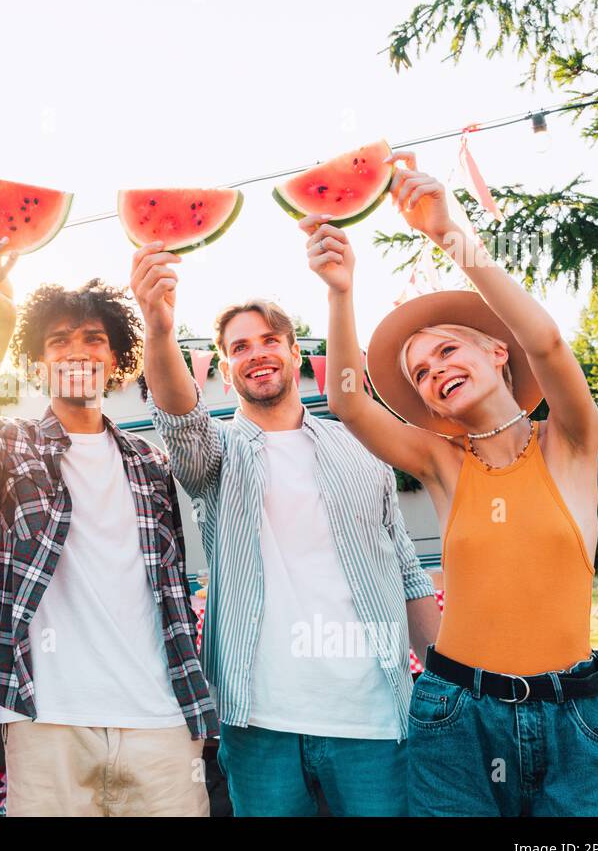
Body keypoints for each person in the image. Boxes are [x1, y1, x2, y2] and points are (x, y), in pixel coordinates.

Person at [302, 151, 598, 817]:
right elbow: (350, 403)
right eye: (421, 371)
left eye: (446, 350)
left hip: (575, 717)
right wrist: (340, 291)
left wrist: (450, 233)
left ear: (496, 352)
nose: (434, 370)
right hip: (455, 716)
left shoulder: (571, 442)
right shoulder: (443, 461)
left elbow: (547, 345)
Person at [130, 242, 440, 817]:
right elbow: (178, 415)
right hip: (260, 721)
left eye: (269, 340)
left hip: (373, 715)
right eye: (239, 347)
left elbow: (406, 571)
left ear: (295, 352)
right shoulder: (215, 455)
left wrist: (447, 687)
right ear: (225, 368)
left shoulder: (360, 445)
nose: (256, 354)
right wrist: (159, 327)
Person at [0, 228, 218, 817]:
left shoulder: (150, 463)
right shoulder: (14, 449)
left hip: (159, 718)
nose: (77, 350)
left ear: (116, 359)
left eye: (93, 338)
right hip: (48, 719)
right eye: (58, 341)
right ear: (38, 364)